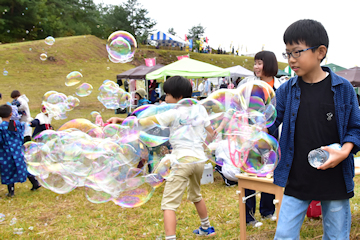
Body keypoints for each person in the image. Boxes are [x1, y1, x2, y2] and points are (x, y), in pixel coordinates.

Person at [269, 19, 360, 239]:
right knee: (283, 235)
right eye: (287, 53)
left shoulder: (342, 88)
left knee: (337, 236)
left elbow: (355, 127)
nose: (291, 59)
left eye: (297, 52)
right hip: (297, 178)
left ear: (320, 52)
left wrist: (345, 151)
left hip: (335, 178)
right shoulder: (286, 91)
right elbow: (270, 123)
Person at [107, 76, 216, 239]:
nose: (165, 98)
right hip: (199, 161)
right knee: (196, 195)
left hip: (182, 161)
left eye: (168, 95)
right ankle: (206, 227)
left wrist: (121, 120)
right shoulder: (199, 109)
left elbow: (145, 122)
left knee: (169, 204)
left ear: (178, 97)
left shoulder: (173, 113)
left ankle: (170, 237)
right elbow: (210, 131)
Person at [0, 105, 41, 197]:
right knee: (24, 167)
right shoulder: (17, 124)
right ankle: (35, 183)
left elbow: (1, 141)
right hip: (18, 151)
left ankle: (11, 192)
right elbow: (24, 128)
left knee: (8, 171)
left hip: (6, 154)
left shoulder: (1, 127)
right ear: (11, 114)